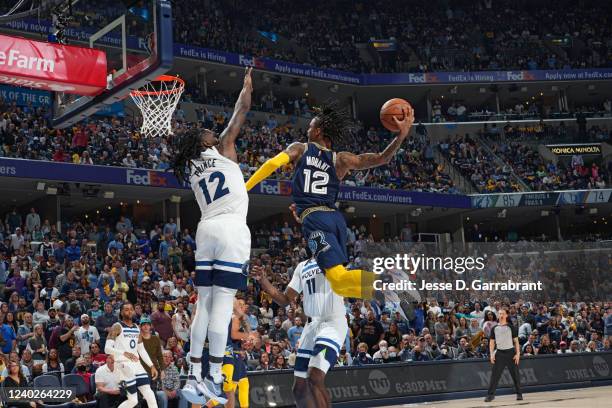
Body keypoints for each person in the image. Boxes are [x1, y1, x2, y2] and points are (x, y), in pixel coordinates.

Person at [246, 100, 413, 299]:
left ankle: (390, 278)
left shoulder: (301, 148)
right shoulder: (341, 159)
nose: (307, 130)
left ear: (318, 131)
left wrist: (245, 186)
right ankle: (383, 293)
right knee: (339, 285)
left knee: (339, 279)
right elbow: (382, 158)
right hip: (334, 219)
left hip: (315, 220)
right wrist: (401, 135)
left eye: (310, 127)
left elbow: (273, 163)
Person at [170, 67, 253, 405]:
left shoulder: (190, 164)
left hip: (205, 230)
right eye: (208, 132)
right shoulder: (226, 150)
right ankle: (216, 377)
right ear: (206, 142)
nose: (213, 133)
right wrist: (247, 84)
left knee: (203, 306)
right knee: (221, 307)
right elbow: (242, 110)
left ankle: (193, 376)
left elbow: (185, 138)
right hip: (231, 228)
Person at [252, 258, 347, 408]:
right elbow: (284, 300)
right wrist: (263, 280)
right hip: (310, 326)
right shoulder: (302, 266)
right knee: (299, 388)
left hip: (331, 322)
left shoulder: (334, 256)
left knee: (315, 377)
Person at [104, 302, 159, 408]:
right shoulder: (117, 326)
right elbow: (107, 349)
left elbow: (141, 349)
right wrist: (123, 353)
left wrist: (151, 365)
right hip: (123, 365)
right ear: (121, 312)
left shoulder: (136, 328)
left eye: (131, 309)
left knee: (150, 395)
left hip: (136, 364)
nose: (129, 311)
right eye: (126, 309)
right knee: (133, 401)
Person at [485, 308, 522, 402]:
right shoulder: (494, 328)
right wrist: (491, 354)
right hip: (499, 353)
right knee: (495, 376)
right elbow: (492, 343)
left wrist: (518, 354)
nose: (501, 315)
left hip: (510, 353)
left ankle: (519, 394)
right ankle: (490, 395)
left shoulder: (511, 327)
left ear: (506, 315)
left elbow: (516, 342)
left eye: (502, 313)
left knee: (515, 375)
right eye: (499, 313)